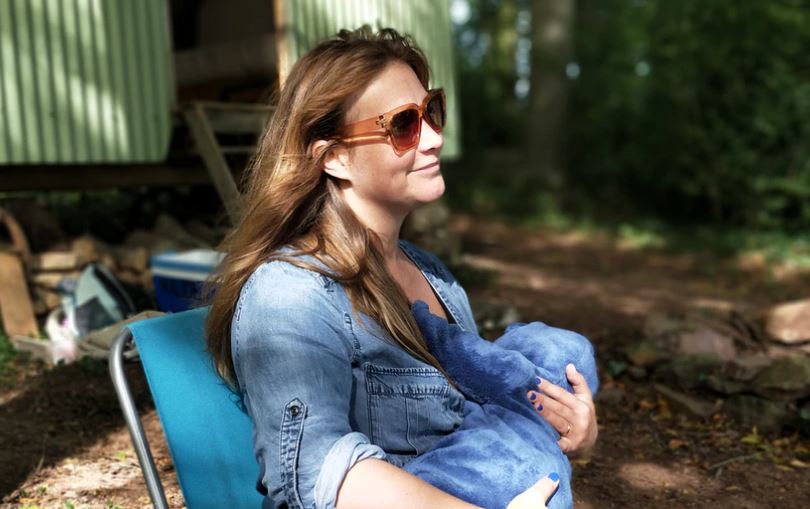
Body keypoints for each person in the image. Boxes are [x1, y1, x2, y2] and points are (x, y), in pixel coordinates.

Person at [205, 26, 598, 509]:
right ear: (335, 158)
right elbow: (317, 472)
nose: (434, 138)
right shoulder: (289, 294)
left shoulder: (432, 274)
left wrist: (567, 427)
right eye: (403, 125)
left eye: (431, 111)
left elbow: (480, 415)